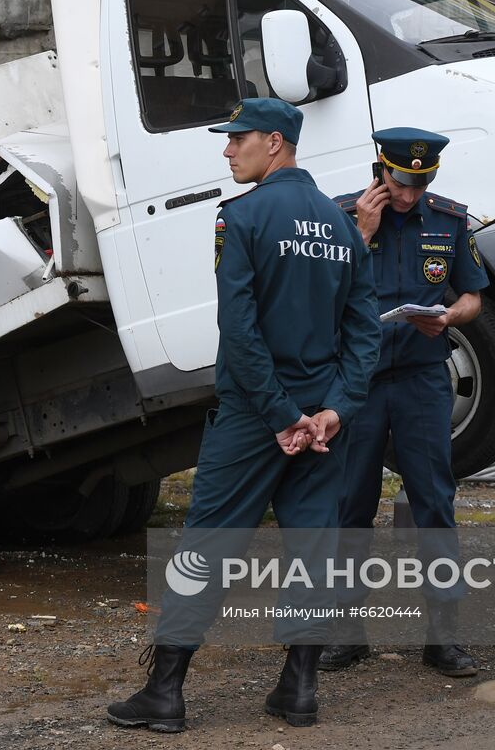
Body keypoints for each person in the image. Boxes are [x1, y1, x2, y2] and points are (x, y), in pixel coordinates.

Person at [105, 97, 380, 732]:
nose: (228, 150)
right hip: (321, 423)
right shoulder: (343, 228)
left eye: (238, 139)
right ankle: (300, 689)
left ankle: (165, 694)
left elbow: (241, 328)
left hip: (259, 417)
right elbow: (365, 335)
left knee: (208, 542)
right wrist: (332, 411)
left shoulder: (245, 216)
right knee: (315, 548)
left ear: (275, 144)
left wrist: (281, 414)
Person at [320, 127, 487, 677]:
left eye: (421, 183)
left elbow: (472, 295)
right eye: (399, 182)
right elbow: (318, 291)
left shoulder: (449, 220)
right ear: (379, 168)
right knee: (350, 508)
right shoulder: (340, 216)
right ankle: (346, 634)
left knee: (435, 504)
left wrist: (450, 316)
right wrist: (362, 234)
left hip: (420, 380)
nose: (409, 195)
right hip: (357, 385)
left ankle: (444, 639)